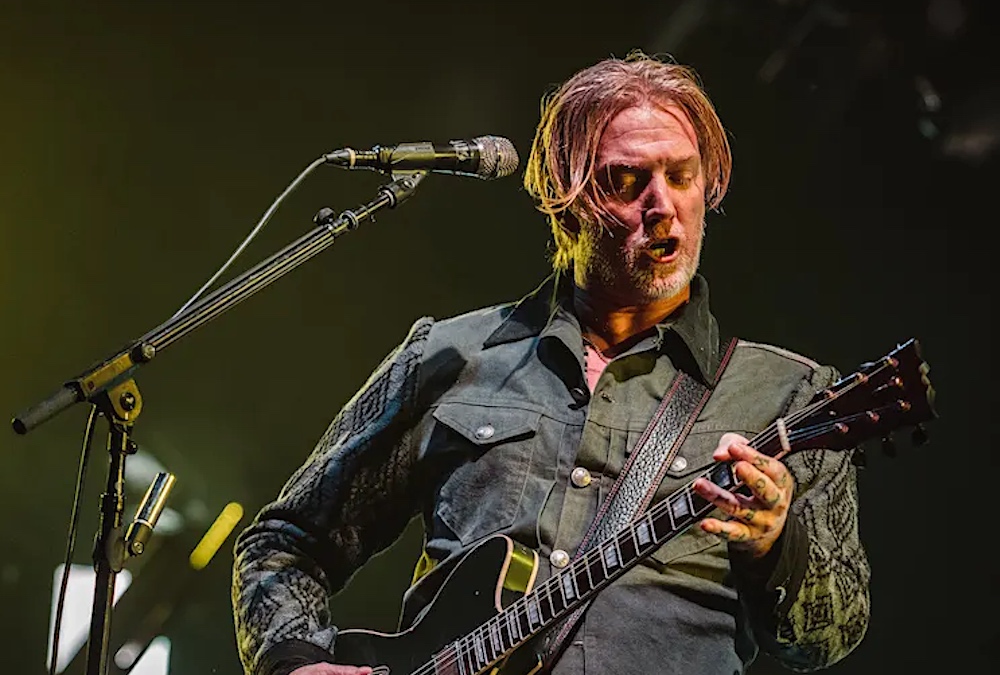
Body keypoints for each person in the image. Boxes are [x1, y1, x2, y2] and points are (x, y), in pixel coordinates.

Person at [232, 51, 869, 675]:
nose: (662, 205)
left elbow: (832, 634)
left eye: (681, 176)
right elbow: (284, 544)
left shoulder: (790, 395)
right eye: (627, 181)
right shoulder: (451, 354)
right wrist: (292, 661)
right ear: (567, 200)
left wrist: (774, 544)